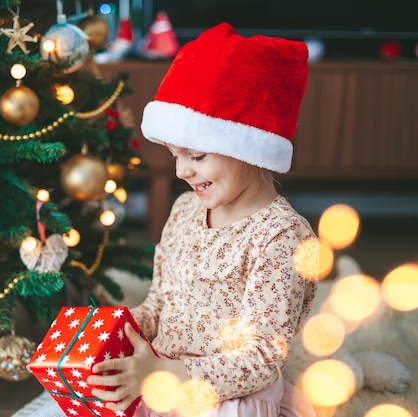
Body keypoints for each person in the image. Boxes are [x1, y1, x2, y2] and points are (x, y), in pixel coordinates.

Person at [87, 22, 318, 417]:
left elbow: (262, 358)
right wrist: (120, 333)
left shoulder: (283, 236)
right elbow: (162, 300)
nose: (181, 172)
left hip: (225, 396)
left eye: (196, 156)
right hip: (159, 374)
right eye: (175, 155)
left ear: (248, 146)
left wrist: (168, 373)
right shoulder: (184, 210)